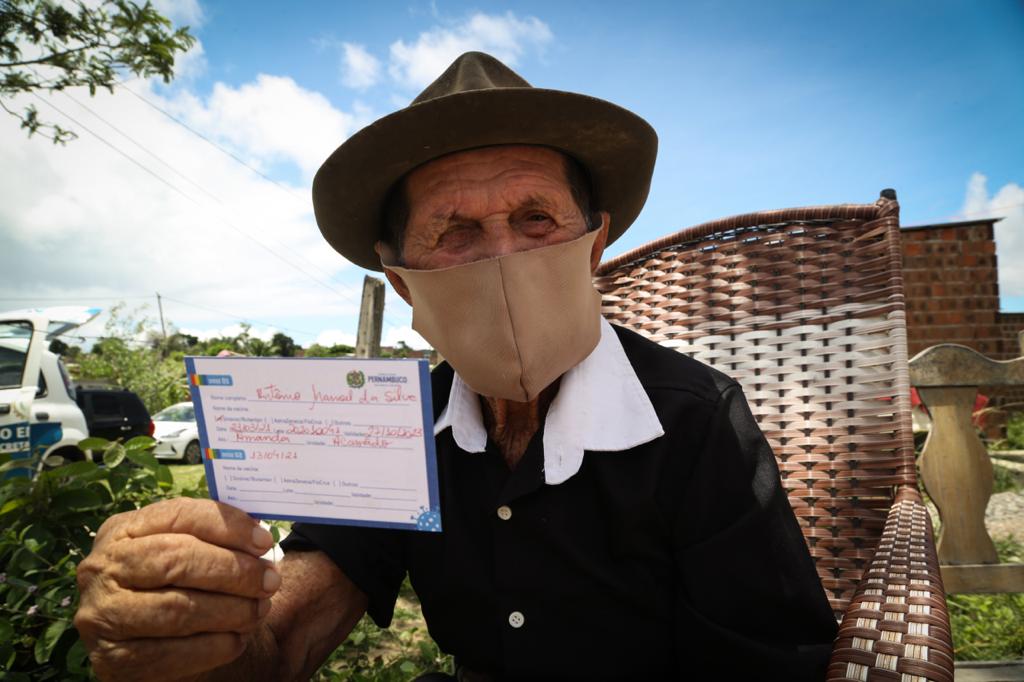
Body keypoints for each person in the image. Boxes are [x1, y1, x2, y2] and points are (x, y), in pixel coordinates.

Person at [74, 52, 839, 681]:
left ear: (594, 244)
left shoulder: (695, 417)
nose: (504, 257)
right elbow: (287, 638)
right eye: (457, 231)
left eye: (536, 218)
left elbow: (772, 664)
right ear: (404, 282)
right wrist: (193, 629)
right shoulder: (390, 432)